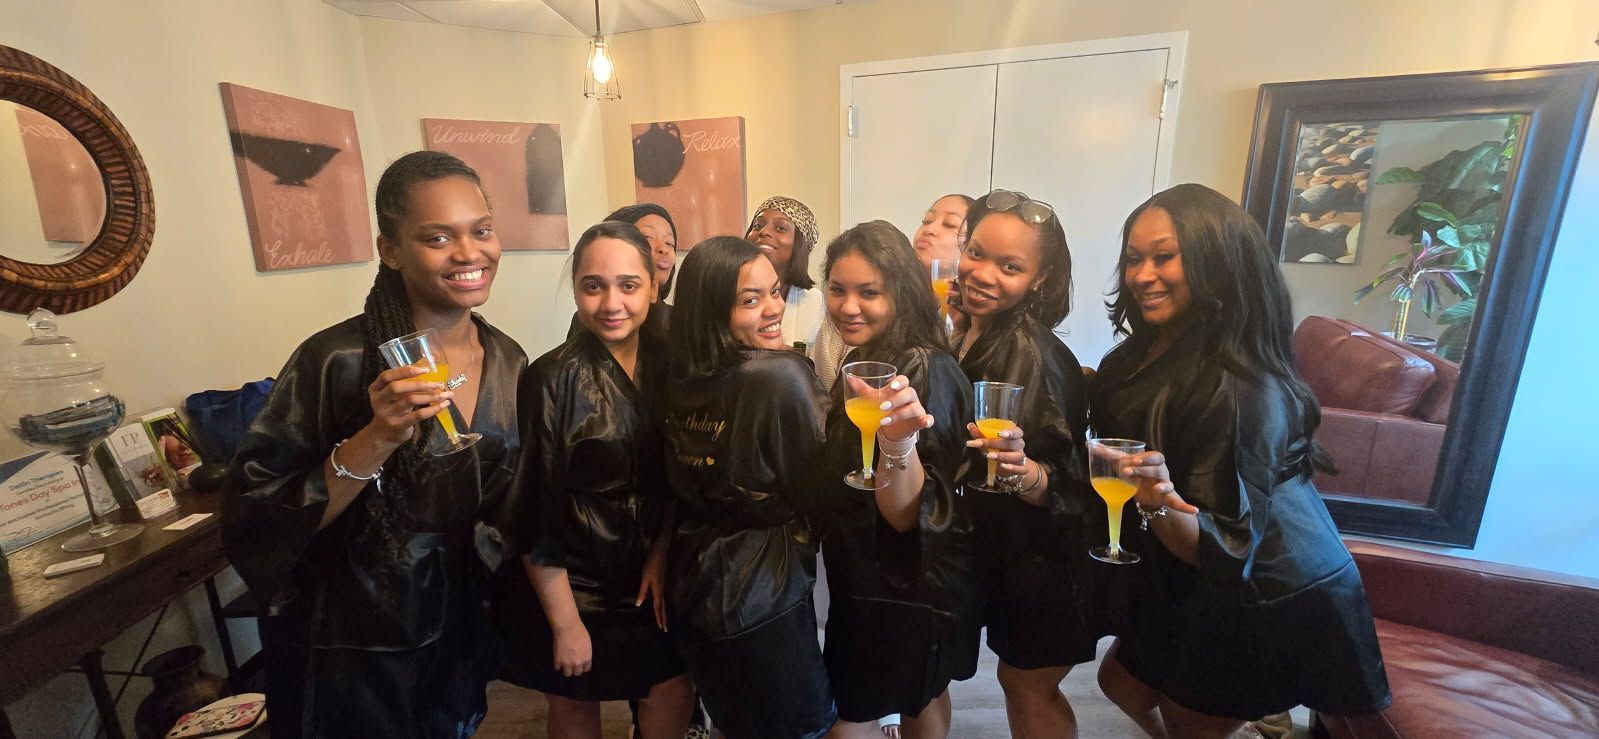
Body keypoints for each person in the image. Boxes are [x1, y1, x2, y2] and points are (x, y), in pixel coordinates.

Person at [222, 151, 526, 738]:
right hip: (350, 642)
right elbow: (257, 519)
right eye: (438, 238)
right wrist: (377, 436)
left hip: (456, 628)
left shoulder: (509, 360)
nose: (470, 253)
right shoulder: (336, 360)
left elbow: (510, 502)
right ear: (391, 250)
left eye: (482, 230)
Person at [1092, 183, 1391, 738]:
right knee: (1121, 685)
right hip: (1189, 575)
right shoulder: (1155, 345)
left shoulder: (1239, 390)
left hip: (1259, 587)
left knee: (1191, 724)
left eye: (1164, 256)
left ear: (1218, 261)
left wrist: (1156, 501)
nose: (1141, 275)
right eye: (1133, 259)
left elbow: (1222, 550)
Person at [488, 222, 694, 739]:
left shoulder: (674, 366)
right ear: (576, 288)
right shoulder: (550, 378)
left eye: (628, 285)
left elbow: (683, 476)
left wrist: (662, 553)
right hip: (573, 580)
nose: (611, 303)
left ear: (653, 287)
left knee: (670, 688)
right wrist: (565, 623)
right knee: (576, 700)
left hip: (650, 576)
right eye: (593, 286)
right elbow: (533, 510)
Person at [662, 236, 842, 738]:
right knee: (799, 727)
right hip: (764, 595)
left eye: (774, 292)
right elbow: (820, 488)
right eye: (750, 300)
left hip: (695, 584)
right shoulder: (780, 375)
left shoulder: (679, 377)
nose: (773, 309)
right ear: (711, 310)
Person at [817, 221, 978, 739]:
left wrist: (896, 445)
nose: (848, 307)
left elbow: (920, 511)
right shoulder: (870, 356)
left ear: (902, 292)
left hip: (905, 579)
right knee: (919, 694)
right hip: (869, 570)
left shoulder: (923, 369)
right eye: (837, 290)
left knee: (856, 712)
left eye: (869, 292)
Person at [951, 189, 1096, 737]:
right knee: (1019, 682)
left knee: (1029, 685)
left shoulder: (1032, 353)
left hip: (1046, 561)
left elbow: (1071, 487)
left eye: (1010, 267)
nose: (983, 274)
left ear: (1040, 278)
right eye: (976, 253)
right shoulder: (973, 327)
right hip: (1001, 551)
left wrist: (1024, 471)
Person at [565, 203, 677, 339]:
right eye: (647, 237)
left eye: (669, 243)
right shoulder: (588, 319)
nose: (663, 249)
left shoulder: (677, 322)